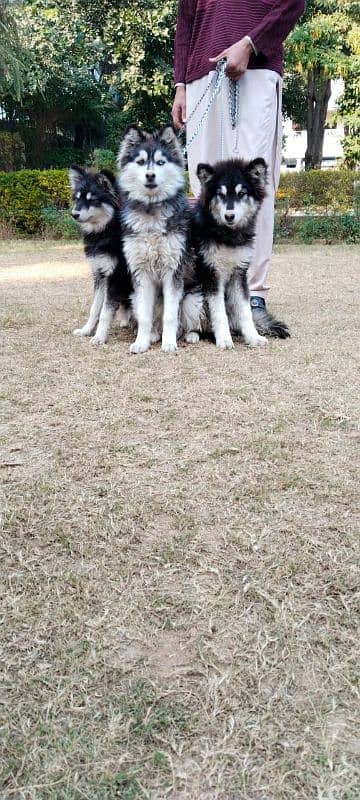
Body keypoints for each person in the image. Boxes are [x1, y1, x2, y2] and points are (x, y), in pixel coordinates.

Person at [172, 0, 305, 317]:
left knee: (254, 182)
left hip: (255, 69)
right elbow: (186, 19)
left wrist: (251, 43)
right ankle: (209, 289)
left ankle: (251, 294)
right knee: (204, 185)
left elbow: (294, 3)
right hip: (200, 76)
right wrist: (180, 84)